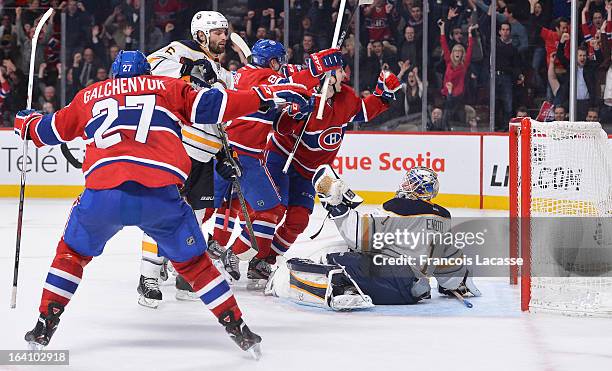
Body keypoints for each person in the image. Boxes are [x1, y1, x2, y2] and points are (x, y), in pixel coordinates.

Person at [14, 50, 310, 355]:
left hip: (103, 194)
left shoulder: (88, 96)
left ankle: (44, 322)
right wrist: (267, 95)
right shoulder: (167, 87)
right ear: (148, 73)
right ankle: (239, 328)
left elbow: (45, 132)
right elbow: (218, 105)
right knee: (195, 264)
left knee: (71, 254)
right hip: (160, 194)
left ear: (114, 75)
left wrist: (27, 123)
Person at [234, 66, 399, 286]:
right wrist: (296, 112)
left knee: (298, 220)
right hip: (281, 157)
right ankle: (234, 253)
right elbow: (281, 127)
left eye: (339, 72)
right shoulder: (304, 95)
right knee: (274, 209)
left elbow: (364, 110)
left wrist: (384, 94)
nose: (338, 76)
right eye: (334, 72)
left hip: (310, 171)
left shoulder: (346, 97)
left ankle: (263, 261)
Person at [215, 39, 344, 284]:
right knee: (266, 209)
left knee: (204, 207)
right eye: (280, 62)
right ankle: (230, 252)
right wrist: (318, 65)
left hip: (222, 149)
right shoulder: (265, 79)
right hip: (243, 154)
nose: (282, 66)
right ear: (273, 62)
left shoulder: (242, 75)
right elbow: (293, 84)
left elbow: (279, 122)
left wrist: (295, 112)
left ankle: (170, 260)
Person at [264, 166, 481, 310]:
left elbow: (358, 237)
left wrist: (337, 206)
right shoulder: (444, 217)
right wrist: (456, 283)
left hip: (390, 280)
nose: (404, 185)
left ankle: (337, 289)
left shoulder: (396, 207)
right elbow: (447, 262)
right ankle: (347, 287)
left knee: (333, 258)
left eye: (409, 182)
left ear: (413, 187)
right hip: (416, 291)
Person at [136, 11, 240, 306]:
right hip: (178, 150)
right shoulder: (181, 51)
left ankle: (186, 275)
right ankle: (148, 278)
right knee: (164, 215)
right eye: (218, 32)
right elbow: (147, 72)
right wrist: (186, 75)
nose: (224, 37)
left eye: (225, 32)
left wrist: (225, 152)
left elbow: (221, 119)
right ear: (202, 34)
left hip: (204, 157)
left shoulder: (225, 74)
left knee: (193, 219)